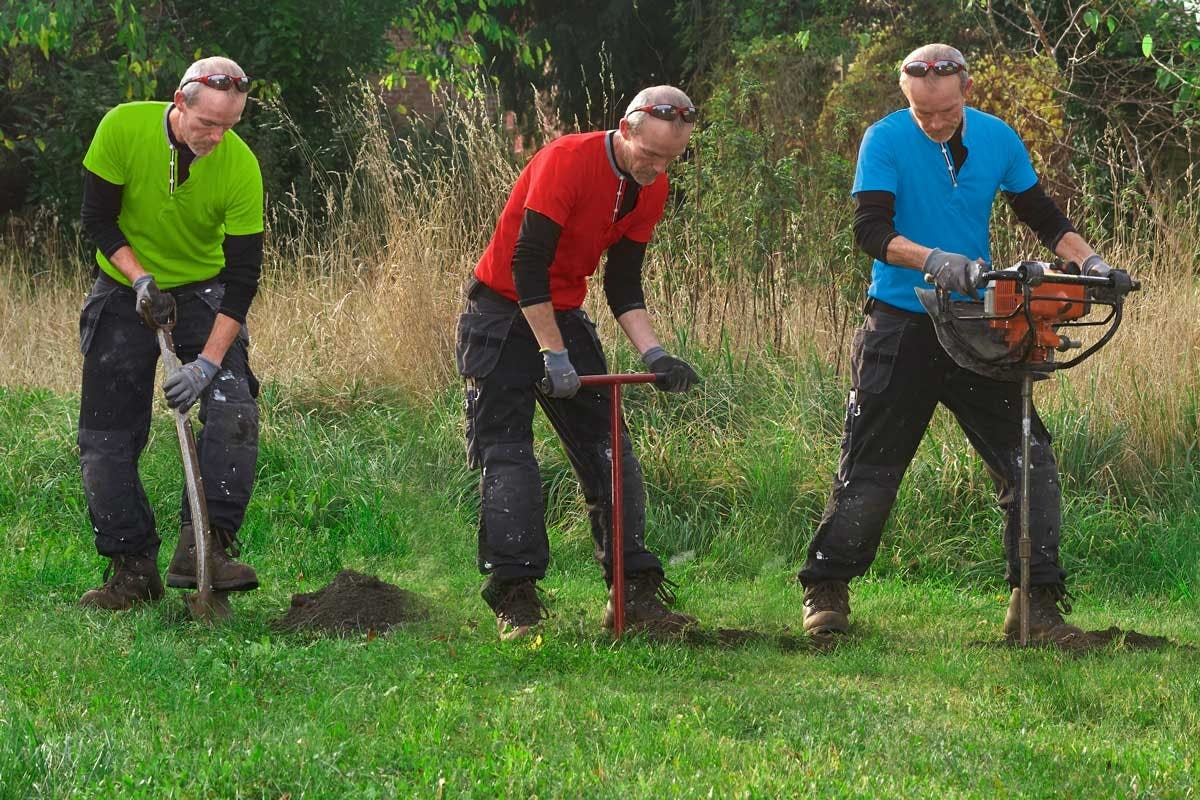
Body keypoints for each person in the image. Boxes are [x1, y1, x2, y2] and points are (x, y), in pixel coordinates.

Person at [798, 44, 1127, 642]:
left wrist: (1093, 263)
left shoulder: (999, 138)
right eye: (922, 112)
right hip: (899, 324)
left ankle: (1037, 605)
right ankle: (826, 592)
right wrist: (933, 260)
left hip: (978, 326)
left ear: (965, 93)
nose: (934, 121)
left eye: (944, 111)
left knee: (1029, 459)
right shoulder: (885, 140)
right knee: (872, 466)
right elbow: (871, 230)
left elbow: (1042, 215)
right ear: (908, 99)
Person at [455, 86, 703, 641]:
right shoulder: (567, 160)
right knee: (508, 454)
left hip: (562, 310)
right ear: (627, 130)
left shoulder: (650, 187)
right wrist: (553, 354)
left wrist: (655, 353)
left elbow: (622, 283)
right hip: (500, 312)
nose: (658, 168)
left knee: (609, 451)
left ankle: (633, 596)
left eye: (671, 159)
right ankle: (515, 600)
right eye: (650, 155)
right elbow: (527, 265)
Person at [77, 56, 263, 610]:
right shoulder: (122, 127)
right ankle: (132, 570)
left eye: (229, 126)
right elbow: (98, 220)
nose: (216, 137)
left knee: (233, 410)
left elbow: (242, 278)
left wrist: (206, 365)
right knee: (106, 436)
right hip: (121, 284)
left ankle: (204, 551)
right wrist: (139, 280)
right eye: (208, 124)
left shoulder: (241, 167)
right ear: (179, 103)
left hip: (205, 288)